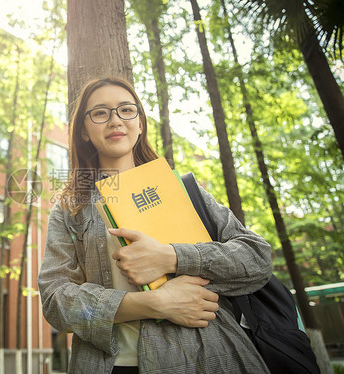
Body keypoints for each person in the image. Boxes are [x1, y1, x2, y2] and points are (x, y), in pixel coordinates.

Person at [38, 77, 273, 374]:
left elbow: (257, 258)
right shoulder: (70, 208)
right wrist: (153, 303)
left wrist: (171, 256)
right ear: (84, 131)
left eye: (126, 110)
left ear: (140, 123)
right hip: (108, 365)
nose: (115, 121)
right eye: (100, 113)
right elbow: (55, 299)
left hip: (210, 357)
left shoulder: (183, 189)